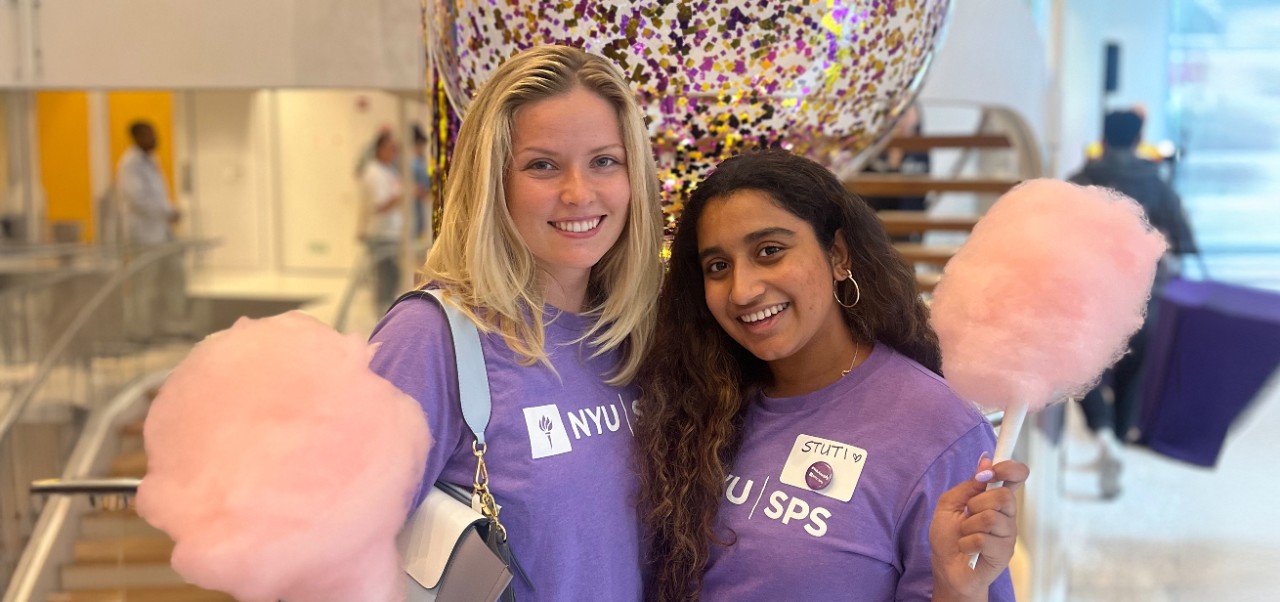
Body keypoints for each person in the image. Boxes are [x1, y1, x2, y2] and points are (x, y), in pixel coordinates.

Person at [636, 149, 1024, 601]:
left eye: (770, 251)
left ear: (837, 255)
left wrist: (957, 589)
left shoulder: (939, 431)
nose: (742, 290)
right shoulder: (695, 403)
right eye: (718, 266)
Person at [367, 45, 664, 601]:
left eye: (605, 160)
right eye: (542, 165)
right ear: (491, 183)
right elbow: (326, 556)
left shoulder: (635, 332)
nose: (579, 193)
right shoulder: (429, 339)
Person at [1069, 109, 1198, 499]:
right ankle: (1119, 446)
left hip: (1092, 295)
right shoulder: (1157, 184)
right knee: (1132, 375)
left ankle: (1104, 431)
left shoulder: (1082, 181)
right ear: (1139, 135)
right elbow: (1185, 240)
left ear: (1103, 137)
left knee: (1079, 369)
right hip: (1144, 295)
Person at [115, 120, 188, 339]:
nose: (154, 138)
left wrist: (169, 211)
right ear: (136, 137)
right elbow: (138, 199)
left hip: (161, 232)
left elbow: (158, 195)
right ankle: (140, 330)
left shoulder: (152, 160)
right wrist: (166, 212)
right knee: (143, 284)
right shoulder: (130, 164)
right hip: (143, 234)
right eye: (148, 135)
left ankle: (171, 324)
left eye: (154, 134)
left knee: (174, 275)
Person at [358, 128, 406, 311]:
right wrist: (402, 196)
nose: (393, 153)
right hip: (380, 234)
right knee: (385, 280)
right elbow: (379, 205)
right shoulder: (373, 173)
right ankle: (382, 316)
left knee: (392, 278)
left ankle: (386, 312)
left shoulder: (387, 171)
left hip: (390, 233)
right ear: (380, 149)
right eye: (390, 148)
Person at [411, 123, 431, 239]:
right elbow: (424, 188)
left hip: (419, 212)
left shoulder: (418, 162)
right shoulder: (414, 163)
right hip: (415, 213)